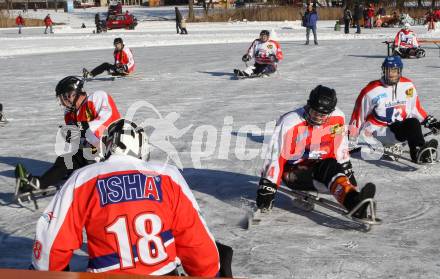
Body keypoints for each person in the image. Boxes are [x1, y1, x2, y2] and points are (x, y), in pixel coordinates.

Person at [30, 119, 220, 276]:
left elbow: (52, 240)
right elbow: (195, 238)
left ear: (107, 145)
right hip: (163, 271)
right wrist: (207, 271)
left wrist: (48, 270)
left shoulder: (83, 178)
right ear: (142, 147)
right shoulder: (168, 175)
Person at [256, 85, 375, 219]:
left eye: (323, 115)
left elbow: (340, 146)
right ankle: (353, 202)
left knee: (332, 170)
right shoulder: (289, 122)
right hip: (293, 171)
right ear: (308, 106)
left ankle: (355, 203)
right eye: (314, 112)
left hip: (322, 167)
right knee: (328, 169)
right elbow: (275, 157)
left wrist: (347, 172)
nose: (318, 118)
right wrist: (268, 187)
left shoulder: (338, 118)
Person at [15, 76, 121, 195]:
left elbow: (108, 121)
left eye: (63, 97)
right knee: (67, 158)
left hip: (115, 150)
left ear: (72, 94)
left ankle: (47, 180)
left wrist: (82, 127)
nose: (62, 102)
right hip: (93, 155)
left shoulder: (97, 97)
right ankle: (38, 183)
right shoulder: (70, 114)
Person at [348, 56, 439, 164]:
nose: (391, 74)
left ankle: (420, 149)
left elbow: (415, 109)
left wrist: (430, 122)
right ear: (383, 70)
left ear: (400, 71)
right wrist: (350, 140)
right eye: (388, 70)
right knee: (412, 124)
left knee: (413, 123)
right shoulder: (371, 91)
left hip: (400, 128)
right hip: (379, 131)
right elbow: (358, 116)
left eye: (395, 70)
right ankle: (418, 152)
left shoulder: (408, 85)